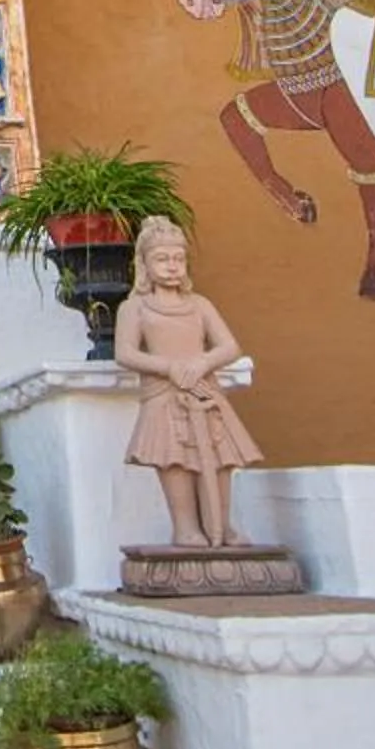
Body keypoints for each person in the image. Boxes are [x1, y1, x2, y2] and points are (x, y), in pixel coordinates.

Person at [114, 214, 263, 547]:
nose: (171, 266)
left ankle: (220, 525)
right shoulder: (135, 308)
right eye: (162, 259)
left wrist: (202, 362)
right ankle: (186, 528)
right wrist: (169, 367)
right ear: (144, 264)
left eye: (178, 259)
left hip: (204, 391)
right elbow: (125, 353)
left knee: (221, 458)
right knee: (174, 459)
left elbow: (229, 346)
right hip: (164, 394)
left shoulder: (199, 305)